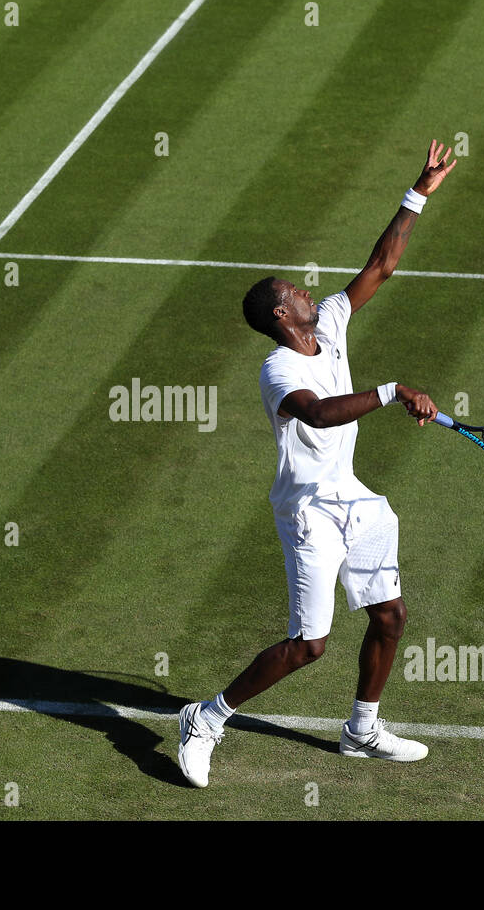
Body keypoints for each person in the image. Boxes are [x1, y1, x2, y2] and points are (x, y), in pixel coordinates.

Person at [178, 140, 457, 788]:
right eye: (294, 290)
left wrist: (420, 189)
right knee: (309, 644)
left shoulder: (330, 322)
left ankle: (362, 729)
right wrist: (391, 391)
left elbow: (382, 264)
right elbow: (320, 413)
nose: (308, 289)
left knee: (390, 615)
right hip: (308, 511)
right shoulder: (278, 369)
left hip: (354, 499)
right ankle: (207, 716)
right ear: (281, 315)